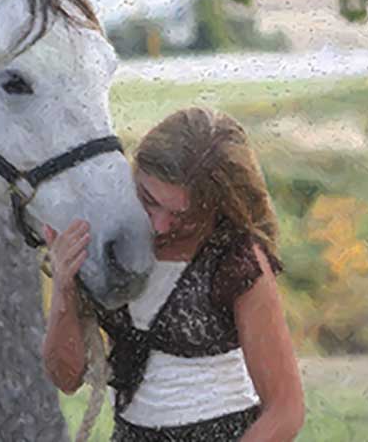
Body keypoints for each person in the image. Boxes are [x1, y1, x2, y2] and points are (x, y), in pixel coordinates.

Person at [42, 107, 305, 441]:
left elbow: (285, 410)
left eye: (184, 216)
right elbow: (65, 378)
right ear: (136, 170)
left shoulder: (235, 261)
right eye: (149, 200)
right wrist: (64, 286)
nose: (160, 225)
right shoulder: (106, 239)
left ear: (214, 206)